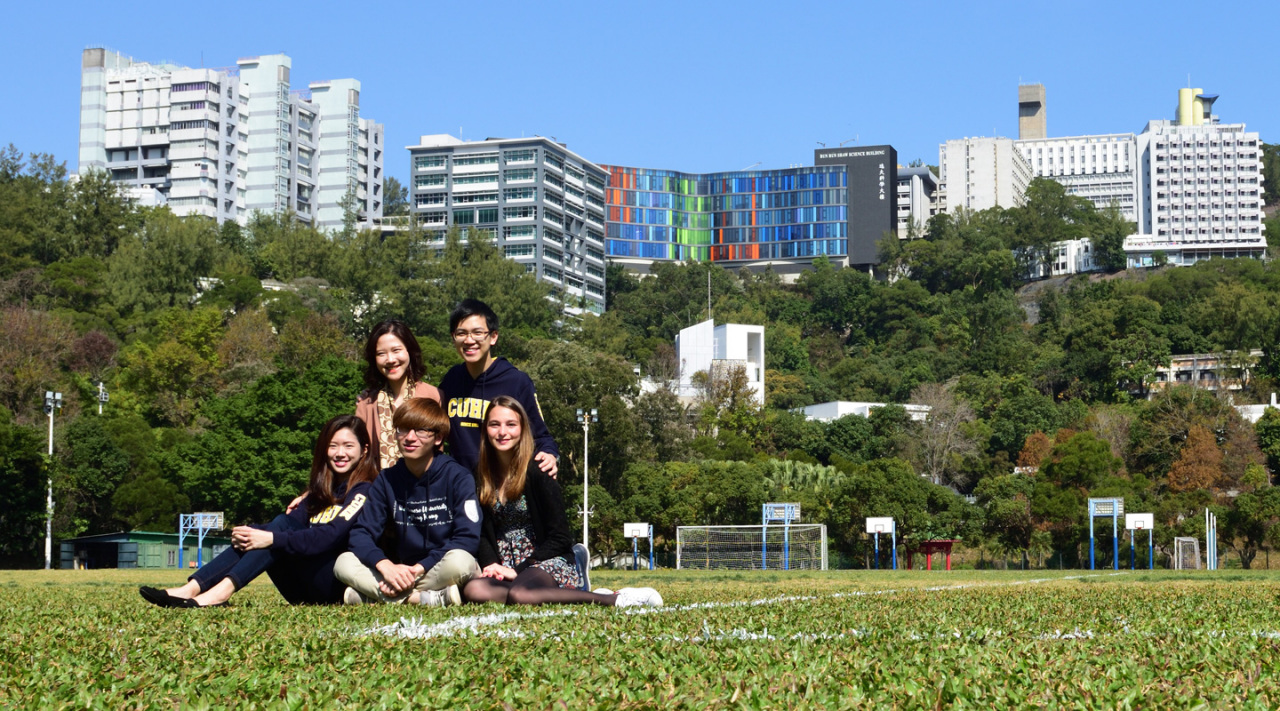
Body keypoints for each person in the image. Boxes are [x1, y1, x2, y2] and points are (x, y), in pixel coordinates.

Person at [139, 415, 379, 608]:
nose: (340, 453)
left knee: (275, 532)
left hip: (331, 588)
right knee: (271, 528)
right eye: (333, 445)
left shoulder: (363, 490)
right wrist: (251, 534)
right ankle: (191, 589)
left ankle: (220, 593)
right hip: (300, 589)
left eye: (349, 446)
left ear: (364, 450)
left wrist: (269, 537)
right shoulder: (319, 492)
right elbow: (286, 525)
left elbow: (328, 537)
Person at [462, 396, 662, 608]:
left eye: (511, 424)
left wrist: (518, 570)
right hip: (506, 563)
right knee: (474, 589)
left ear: (523, 430)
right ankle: (552, 593)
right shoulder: (480, 475)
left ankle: (613, 598)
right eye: (495, 424)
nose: (503, 432)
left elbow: (560, 537)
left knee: (520, 594)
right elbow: (483, 531)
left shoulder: (539, 470)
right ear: (485, 430)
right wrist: (491, 564)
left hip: (544, 559)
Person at [334, 398, 480, 606]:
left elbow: (467, 538)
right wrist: (385, 566)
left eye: (421, 430)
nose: (410, 438)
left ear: (438, 438)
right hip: (400, 571)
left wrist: (420, 568)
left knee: (462, 562)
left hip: (437, 567)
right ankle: (424, 599)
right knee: (343, 563)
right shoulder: (387, 480)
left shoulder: (458, 477)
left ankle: (379, 596)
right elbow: (361, 533)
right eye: (403, 429)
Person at [438, 299, 559, 477]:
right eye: (461, 333)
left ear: (493, 337)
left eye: (478, 333)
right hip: (460, 488)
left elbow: (541, 437)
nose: (469, 340)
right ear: (453, 337)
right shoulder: (451, 380)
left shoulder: (517, 381)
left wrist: (549, 455)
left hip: (503, 488)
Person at [356, 319, 442, 470]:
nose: (390, 360)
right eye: (381, 353)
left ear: (409, 351)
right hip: (379, 488)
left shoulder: (434, 396)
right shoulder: (367, 404)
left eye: (396, 350)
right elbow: (359, 455)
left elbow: (440, 451)